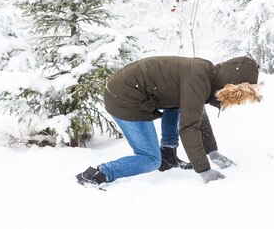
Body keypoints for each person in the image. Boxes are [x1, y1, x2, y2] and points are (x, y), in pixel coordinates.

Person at [75, 55, 261, 186]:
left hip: (126, 89)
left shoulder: (204, 73)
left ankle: (168, 156)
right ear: (232, 83)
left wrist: (212, 152)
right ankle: (99, 174)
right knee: (149, 159)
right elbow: (189, 126)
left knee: (179, 104)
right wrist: (204, 170)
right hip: (124, 98)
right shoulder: (198, 80)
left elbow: (196, 114)